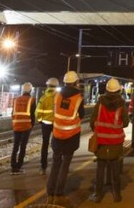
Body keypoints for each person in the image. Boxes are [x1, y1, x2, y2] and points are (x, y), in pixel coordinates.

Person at [89, 77, 130, 203]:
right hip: (115, 142)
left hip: (101, 141)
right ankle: (117, 194)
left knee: (100, 168)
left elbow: (92, 121)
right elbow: (126, 123)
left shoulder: (100, 102)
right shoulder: (122, 104)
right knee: (115, 167)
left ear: (107, 89)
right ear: (118, 90)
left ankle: (98, 194)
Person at [46, 71, 84, 204]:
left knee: (55, 164)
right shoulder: (78, 97)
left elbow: (55, 111)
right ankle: (59, 194)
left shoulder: (57, 95)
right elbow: (82, 114)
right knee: (65, 165)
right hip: (71, 136)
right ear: (75, 82)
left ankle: (50, 193)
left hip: (57, 134)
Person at [10, 82, 36, 174]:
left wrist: (14, 122)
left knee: (15, 146)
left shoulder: (16, 99)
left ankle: (13, 166)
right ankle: (19, 166)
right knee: (23, 146)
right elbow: (33, 115)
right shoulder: (32, 100)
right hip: (26, 126)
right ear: (30, 90)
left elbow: (12, 112)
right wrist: (31, 125)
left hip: (16, 125)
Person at [36, 77, 59, 175]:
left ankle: (43, 165)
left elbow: (38, 112)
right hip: (56, 124)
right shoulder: (59, 97)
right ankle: (56, 164)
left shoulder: (43, 98)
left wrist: (40, 121)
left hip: (45, 124)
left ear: (47, 86)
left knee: (45, 145)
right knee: (57, 144)